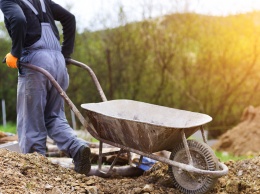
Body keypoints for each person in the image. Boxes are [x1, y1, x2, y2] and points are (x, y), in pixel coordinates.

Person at [0, 0, 91, 175]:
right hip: (58, 63)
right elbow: (69, 18)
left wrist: (15, 53)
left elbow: (18, 20)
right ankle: (77, 147)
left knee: (30, 120)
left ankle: (36, 171)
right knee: (54, 116)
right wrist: (65, 55)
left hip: (36, 61)